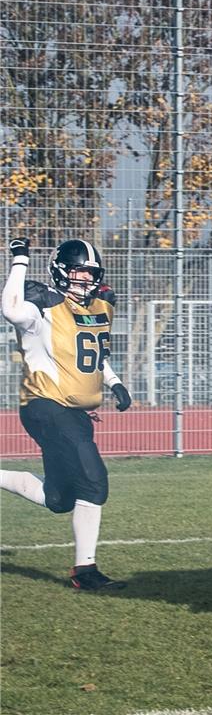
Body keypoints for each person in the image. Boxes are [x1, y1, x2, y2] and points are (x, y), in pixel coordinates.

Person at [1, 237, 132, 591]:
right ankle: (84, 571)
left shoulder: (97, 308)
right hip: (45, 406)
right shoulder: (40, 307)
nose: (84, 280)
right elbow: (11, 309)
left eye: (89, 274)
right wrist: (20, 260)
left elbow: (91, 353)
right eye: (77, 272)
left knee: (59, 498)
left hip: (74, 413)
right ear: (61, 271)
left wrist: (115, 382)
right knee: (94, 481)